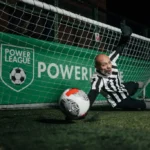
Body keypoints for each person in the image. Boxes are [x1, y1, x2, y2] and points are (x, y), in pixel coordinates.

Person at [88, 22, 146, 110]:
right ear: (97, 67)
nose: (108, 66)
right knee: (140, 105)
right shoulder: (97, 80)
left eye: (108, 63)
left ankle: (137, 85)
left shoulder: (111, 59)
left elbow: (120, 47)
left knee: (133, 84)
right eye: (104, 65)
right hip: (119, 100)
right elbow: (92, 94)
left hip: (121, 87)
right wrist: (82, 111)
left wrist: (126, 36)